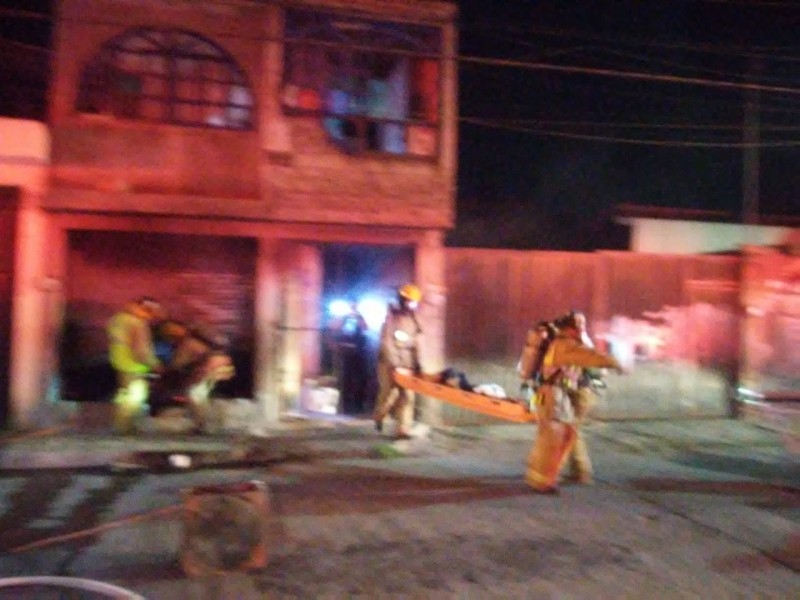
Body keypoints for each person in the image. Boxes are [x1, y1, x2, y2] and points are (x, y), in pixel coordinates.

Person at [525, 311, 622, 494]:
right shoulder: (564, 345)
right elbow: (588, 357)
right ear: (568, 329)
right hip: (552, 395)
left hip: (552, 394)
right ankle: (542, 481)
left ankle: (546, 477)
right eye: (577, 326)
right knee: (553, 438)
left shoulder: (562, 343)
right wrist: (613, 362)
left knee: (563, 434)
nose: (580, 329)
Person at [107, 297, 166, 434]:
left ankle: (120, 426)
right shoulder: (137, 323)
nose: (152, 318)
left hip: (121, 364)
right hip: (135, 366)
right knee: (135, 396)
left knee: (124, 395)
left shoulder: (118, 319)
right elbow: (141, 351)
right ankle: (124, 429)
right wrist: (156, 366)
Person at [373, 283, 423, 440]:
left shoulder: (414, 319)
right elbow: (387, 343)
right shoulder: (392, 318)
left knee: (408, 397)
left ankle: (403, 429)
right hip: (390, 364)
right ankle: (379, 415)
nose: (412, 305)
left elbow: (417, 343)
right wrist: (394, 364)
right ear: (403, 300)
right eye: (410, 301)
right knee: (389, 394)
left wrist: (418, 363)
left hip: (407, 364)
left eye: (414, 302)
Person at [330, 300, 369, 415]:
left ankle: (358, 407)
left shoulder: (360, 317)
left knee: (360, 380)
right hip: (345, 353)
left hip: (358, 353)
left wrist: (359, 318)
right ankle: (345, 407)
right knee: (345, 380)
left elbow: (365, 328)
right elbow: (335, 329)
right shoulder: (343, 318)